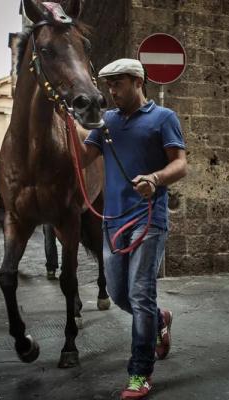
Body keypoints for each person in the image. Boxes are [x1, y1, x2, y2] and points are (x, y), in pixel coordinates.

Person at [78, 58, 187, 399]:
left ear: (138, 82)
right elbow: (82, 157)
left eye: (118, 84)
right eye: (109, 85)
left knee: (140, 295)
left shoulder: (163, 118)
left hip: (148, 218)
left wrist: (155, 179)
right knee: (118, 293)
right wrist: (68, 122)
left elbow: (180, 163)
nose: (112, 91)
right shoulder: (106, 122)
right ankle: (159, 319)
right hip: (112, 219)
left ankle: (140, 373)